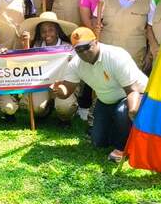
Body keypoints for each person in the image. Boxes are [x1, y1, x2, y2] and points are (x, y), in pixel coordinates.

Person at [50, 27, 148, 162]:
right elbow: (67, 90)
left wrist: (132, 111)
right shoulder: (76, 64)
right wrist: (60, 90)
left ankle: (121, 149)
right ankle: (125, 135)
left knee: (122, 112)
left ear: (95, 42)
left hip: (136, 96)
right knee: (98, 142)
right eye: (78, 50)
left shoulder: (116, 56)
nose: (84, 52)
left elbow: (132, 90)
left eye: (86, 47)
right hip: (106, 101)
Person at [19, 12, 79, 124]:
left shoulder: (68, 48)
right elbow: (28, 66)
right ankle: (45, 111)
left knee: (65, 107)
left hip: (63, 84)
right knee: (37, 107)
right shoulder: (36, 46)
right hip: (43, 85)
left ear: (57, 31)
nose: (47, 33)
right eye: (43, 31)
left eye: (50, 30)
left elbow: (76, 69)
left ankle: (65, 118)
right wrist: (25, 47)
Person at [96, 0, 152, 70]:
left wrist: (149, 54)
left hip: (135, 53)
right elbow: (96, 20)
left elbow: (150, 27)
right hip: (108, 50)